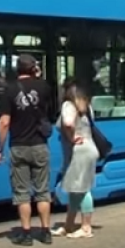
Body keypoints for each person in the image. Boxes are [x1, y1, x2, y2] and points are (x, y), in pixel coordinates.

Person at [0, 54, 54, 246]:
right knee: (43, 191)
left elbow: (4, 122)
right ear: (34, 68)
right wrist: (38, 75)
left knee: (22, 193)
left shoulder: (9, 90)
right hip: (40, 144)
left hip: (19, 146)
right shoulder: (44, 86)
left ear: (17, 69)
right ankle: (46, 232)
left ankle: (26, 234)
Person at [53, 80, 99, 239]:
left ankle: (86, 228)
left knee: (82, 190)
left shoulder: (68, 105)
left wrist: (71, 137)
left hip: (79, 151)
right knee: (75, 190)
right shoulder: (87, 107)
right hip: (89, 148)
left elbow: (67, 123)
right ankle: (69, 225)